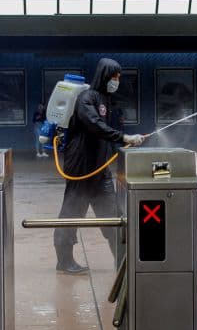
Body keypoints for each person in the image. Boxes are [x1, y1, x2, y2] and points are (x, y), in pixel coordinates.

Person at [52, 58, 145, 274]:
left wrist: (119, 142)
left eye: (118, 77)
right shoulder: (86, 98)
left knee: (114, 215)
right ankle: (64, 261)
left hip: (100, 169)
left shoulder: (105, 100)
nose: (116, 81)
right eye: (114, 76)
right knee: (72, 213)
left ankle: (123, 262)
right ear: (104, 76)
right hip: (82, 168)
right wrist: (123, 137)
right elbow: (94, 124)